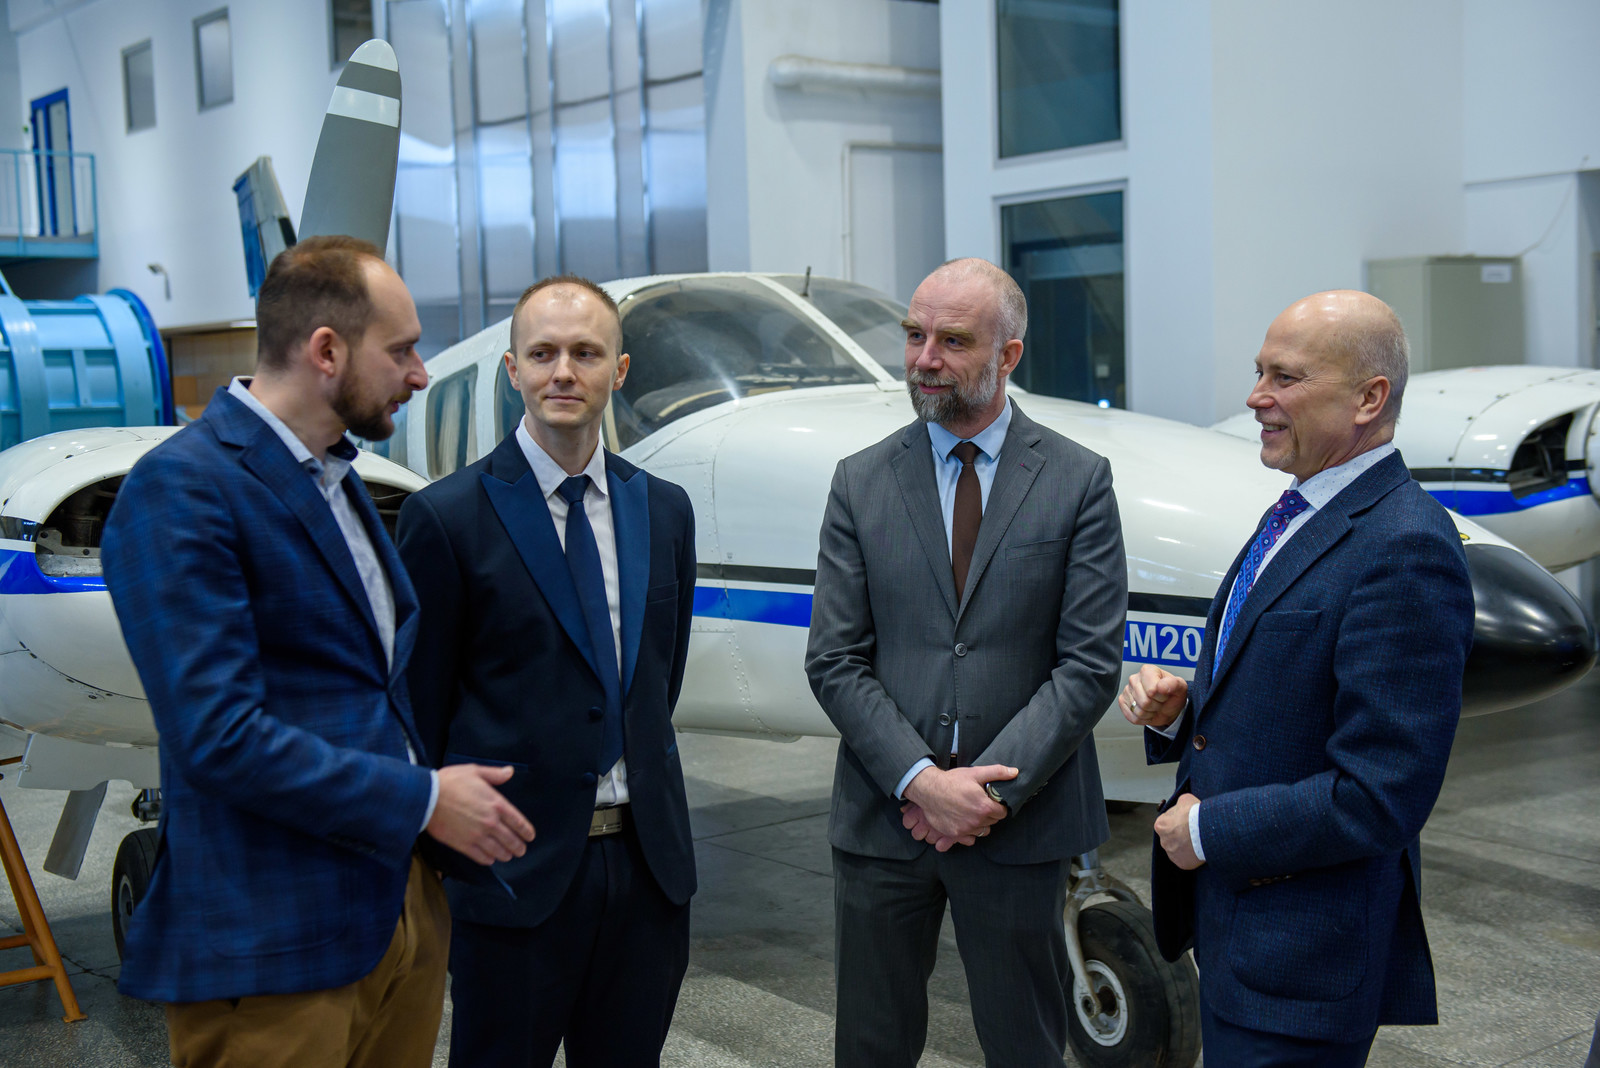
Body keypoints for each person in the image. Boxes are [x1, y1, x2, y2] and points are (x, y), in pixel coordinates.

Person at [101, 235, 534, 1068]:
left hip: (395, 921)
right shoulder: (182, 489)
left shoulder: (337, 479)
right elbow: (218, 735)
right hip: (275, 947)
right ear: (326, 351)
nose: (421, 374)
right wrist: (422, 799)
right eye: (401, 350)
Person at [1120, 290, 1475, 1065]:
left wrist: (1206, 831)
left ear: (1368, 399)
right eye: (1259, 373)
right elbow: (1293, 702)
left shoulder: (1405, 546)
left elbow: (1381, 795)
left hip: (1302, 966)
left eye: (1284, 378)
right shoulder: (1298, 511)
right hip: (1242, 942)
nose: (1256, 397)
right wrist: (1184, 713)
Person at [805, 257, 1128, 1066]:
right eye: (914, 335)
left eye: (952, 341)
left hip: (1020, 826)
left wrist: (982, 796)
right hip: (887, 822)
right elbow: (836, 659)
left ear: (1008, 355)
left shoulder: (1078, 481)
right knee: (871, 1048)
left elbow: (1088, 664)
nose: (924, 359)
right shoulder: (860, 482)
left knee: (1025, 1047)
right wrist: (922, 781)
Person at [397, 276, 698, 1068]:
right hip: (511, 876)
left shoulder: (663, 510)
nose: (563, 371)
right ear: (513, 370)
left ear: (619, 371)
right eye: (543, 354)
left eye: (586, 353)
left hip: (646, 871)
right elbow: (421, 710)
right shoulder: (447, 517)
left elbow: (654, 687)